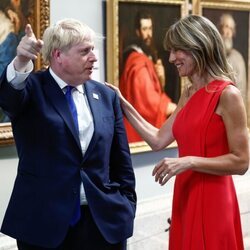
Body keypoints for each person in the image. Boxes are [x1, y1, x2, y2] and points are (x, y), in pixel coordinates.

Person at [107, 14, 249, 249]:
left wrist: (189, 162)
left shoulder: (228, 95)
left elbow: (242, 162)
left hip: (214, 200)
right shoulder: (189, 92)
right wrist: (122, 102)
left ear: (198, 47)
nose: (171, 58)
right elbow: (158, 139)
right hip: (186, 194)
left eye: (177, 51)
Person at [0, 18, 136, 250]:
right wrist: (21, 60)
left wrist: (127, 205)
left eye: (93, 49)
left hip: (102, 222)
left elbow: (120, 159)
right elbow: (7, 98)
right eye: (85, 51)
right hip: (44, 224)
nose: (94, 57)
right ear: (57, 55)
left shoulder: (106, 96)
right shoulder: (32, 89)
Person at [119, 10, 177, 143]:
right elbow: (147, 101)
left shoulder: (147, 55)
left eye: (150, 28)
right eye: (144, 29)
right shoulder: (137, 62)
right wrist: (172, 107)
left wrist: (161, 79)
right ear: (138, 32)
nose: (148, 34)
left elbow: (155, 89)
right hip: (137, 132)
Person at [218, 13, 247, 106]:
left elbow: (241, 91)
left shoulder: (238, 58)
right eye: (226, 26)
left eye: (231, 28)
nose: (227, 32)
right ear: (220, 28)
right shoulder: (212, 55)